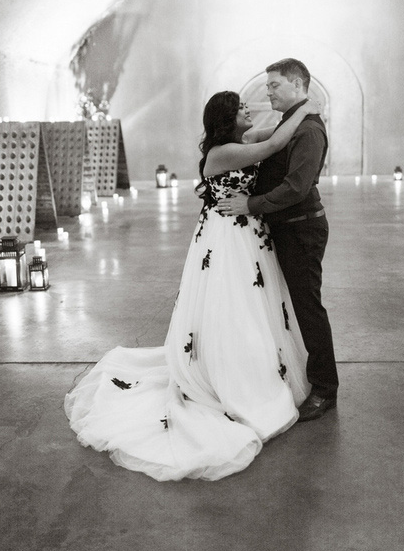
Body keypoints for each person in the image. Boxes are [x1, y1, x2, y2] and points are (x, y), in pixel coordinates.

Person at [65, 91, 320, 481]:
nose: (248, 110)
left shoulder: (242, 141)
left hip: (249, 232)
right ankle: (228, 375)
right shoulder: (221, 153)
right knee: (231, 304)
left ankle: (259, 366)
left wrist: (294, 112)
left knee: (255, 306)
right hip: (227, 237)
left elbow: (271, 131)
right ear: (226, 118)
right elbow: (274, 142)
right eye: (241, 108)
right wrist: (305, 107)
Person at [219, 59, 339, 422]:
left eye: (274, 85)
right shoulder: (290, 122)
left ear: (298, 85)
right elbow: (263, 144)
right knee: (290, 303)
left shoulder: (308, 130)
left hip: (301, 227)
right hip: (284, 225)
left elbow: (297, 187)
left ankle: (324, 389)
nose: (267, 90)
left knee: (307, 307)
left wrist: (250, 204)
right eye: (268, 85)